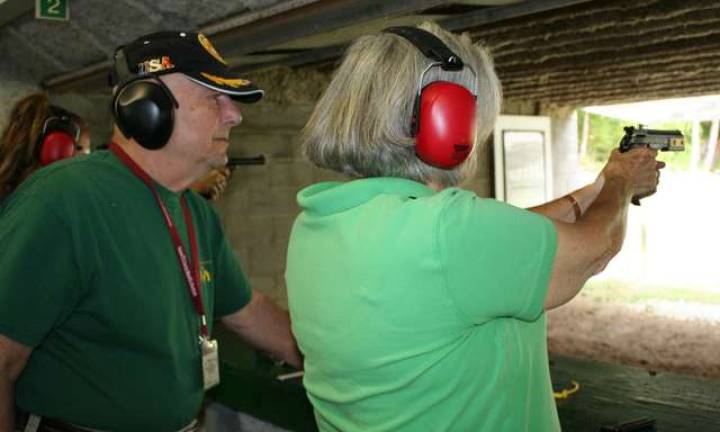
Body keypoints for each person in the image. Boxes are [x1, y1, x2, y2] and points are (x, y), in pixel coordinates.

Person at [285, 22, 662, 431]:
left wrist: (596, 190)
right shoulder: (446, 233)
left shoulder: (320, 222)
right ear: (445, 117)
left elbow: (501, 241)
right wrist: (623, 182)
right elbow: (593, 248)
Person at [0, 31, 301, 431]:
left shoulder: (196, 213)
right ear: (147, 107)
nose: (234, 115)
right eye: (216, 98)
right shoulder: (64, 201)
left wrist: (332, 360)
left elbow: (248, 311)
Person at [0, 93, 90, 203]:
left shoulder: (11, 194)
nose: (86, 160)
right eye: (81, 150)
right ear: (57, 152)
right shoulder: (46, 202)